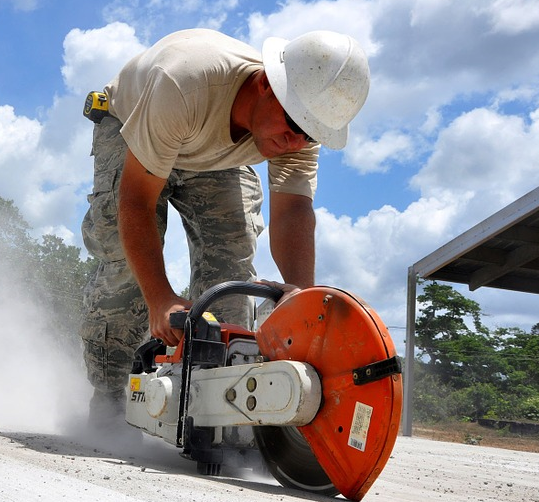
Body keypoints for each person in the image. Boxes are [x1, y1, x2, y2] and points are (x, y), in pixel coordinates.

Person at [79, 29, 370, 427]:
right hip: (135, 124)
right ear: (267, 84)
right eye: (292, 125)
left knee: (231, 273)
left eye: (309, 134)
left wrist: (300, 297)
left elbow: (293, 210)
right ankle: (109, 403)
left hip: (211, 153)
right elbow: (136, 202)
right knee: (128, 268)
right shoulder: (184, 83)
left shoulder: (300, 124)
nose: (295, 141)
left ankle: (213, 411)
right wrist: (161, 298)